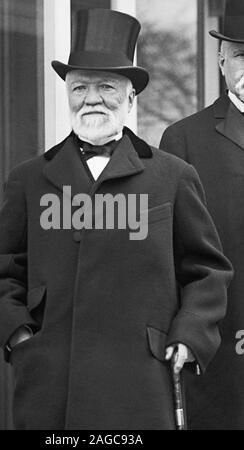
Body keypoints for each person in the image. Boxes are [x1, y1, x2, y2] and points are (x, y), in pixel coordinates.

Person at [0, 8, 232, 430]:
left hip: (141, 384)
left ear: (131, 97)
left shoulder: (173, 177)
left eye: (106, 86)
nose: (91, 98)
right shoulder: (28, 179)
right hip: (50, 385)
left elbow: (207, 270)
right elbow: (0, 274)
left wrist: (189, 336)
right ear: (67, 95)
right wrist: (21, 336)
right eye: (79, 87)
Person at [160, 0, 244, 430]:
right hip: (219, 345)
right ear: (221, 60)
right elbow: (175, 253)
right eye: (243, 55)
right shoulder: (183, 139)